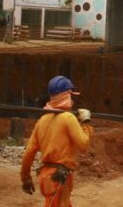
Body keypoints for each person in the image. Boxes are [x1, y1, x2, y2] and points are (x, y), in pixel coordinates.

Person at [21, 76, 93, 207]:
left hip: (46, 177)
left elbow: (29, 152)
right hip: (58, 178)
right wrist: (85, 123)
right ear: (67, 95)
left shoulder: (42, 120)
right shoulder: (68, 118)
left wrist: (25, 178)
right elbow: (83, 145)